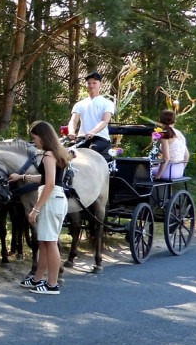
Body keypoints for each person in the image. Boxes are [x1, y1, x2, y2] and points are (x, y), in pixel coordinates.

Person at [8, 121, 70, 295]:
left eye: (35, 138)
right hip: (56, 198)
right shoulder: (55, 153)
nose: (34, 142)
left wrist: (35, 208)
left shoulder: (48, 155)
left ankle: (52, 284)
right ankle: (37, 278)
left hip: (51, 199)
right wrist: (22, 176)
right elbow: (45, 178)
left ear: (43, 137)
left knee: (50, 243)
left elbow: (49, 184)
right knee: (44, 242)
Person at [67, 71, 115, 158]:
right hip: (82, 138)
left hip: (100, 138)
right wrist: (71, 132)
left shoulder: (107, 103)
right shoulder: (80, 104)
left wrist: (92, 132)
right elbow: (73, 120)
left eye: (94, 83)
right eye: (89, 83)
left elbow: (104, 121)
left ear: (100, 84)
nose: (91, 86)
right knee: (69, 152)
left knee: (92, 150)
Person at [153, 109, 189, 180]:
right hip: (179, 171)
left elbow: (166, 158)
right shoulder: (179, 133)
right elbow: (186, 155)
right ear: (174, 120)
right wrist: (182, 168)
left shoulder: (165, 135)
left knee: (143, 171)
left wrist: (158, 175)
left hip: (169, 171)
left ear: (160, 120)